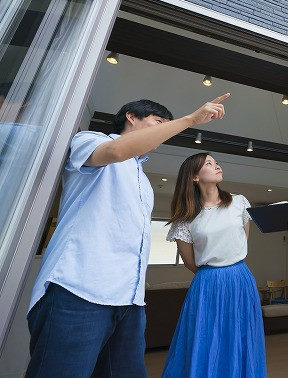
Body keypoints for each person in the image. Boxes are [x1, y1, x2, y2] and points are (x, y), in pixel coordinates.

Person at [26, 94, 229, 378]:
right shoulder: (90, 140)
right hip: (78, 291)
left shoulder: (143, 181)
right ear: (131, 117)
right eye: (158, 122)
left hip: (130, 302)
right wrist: (191, 119)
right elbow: (114, 151)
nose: (164, 131)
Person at [162, 152, 265, 378]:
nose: (217, 165)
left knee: (241, 337)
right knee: (206, 340)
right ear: (194, 177)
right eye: (209, 164)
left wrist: (227, 266)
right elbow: (190, 262)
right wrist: (213, 273)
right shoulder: (185, 218)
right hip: (207, 283)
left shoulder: (239, 202)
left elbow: (241, 241)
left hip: (240, 279)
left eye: (216, 162)